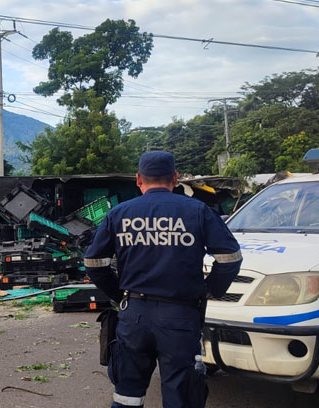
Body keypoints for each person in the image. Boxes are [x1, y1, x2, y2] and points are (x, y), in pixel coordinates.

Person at [84, 151, 243, 408]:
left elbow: (94, 263)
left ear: (138, 180)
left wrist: (120, 296)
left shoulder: (119, 213)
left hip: (133, 316)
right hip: (180, 316)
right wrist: (210, 290)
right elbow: (230, 258)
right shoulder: (198, 211)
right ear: (176, 178)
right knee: (182, 395)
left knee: (127, 395)